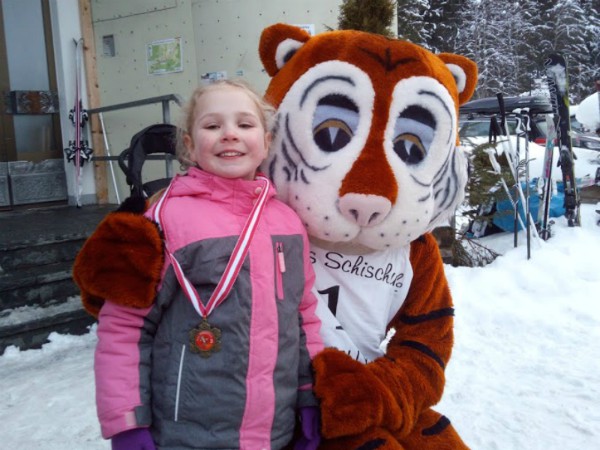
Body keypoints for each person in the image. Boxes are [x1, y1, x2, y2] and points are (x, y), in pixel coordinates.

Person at [94, 79, 323, 450]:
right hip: (185, 434)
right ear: (189, 144)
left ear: (266, 141)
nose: (229, 134)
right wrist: (127, 420)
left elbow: (303, 317)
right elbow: (125, 325)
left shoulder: (287, 222)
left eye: (245, 125)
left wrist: (311, 394)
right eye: (213, 125)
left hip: (274, 431)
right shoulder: (165, 219)